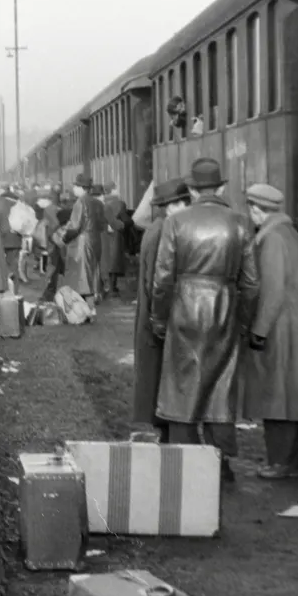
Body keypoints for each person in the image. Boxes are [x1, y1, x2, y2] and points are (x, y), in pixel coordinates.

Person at [150, 158, 259, 482]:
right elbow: (251, 282)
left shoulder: (176, 222)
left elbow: (162, 278)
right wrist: (244, 321)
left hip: (184, 306)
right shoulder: (240, 223)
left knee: (182, 388)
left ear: (193, 190)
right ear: (222, 187)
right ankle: (221, 465)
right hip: (224, 306)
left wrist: (159, 319)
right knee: (220, 389)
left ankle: (186, 466)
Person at [239, 183, 298, 479]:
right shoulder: (290, 234)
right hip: (294, 318)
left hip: (278, 323)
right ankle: (293, 461)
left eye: (251, 210)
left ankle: (282, 463)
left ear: (257, 209)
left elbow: (271, 290)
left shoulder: (271, 239)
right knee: (291, 391)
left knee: (276, 391)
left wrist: (259, 331)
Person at [132, 179, 189, 443]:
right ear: (174, 206)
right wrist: (160, 319)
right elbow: (157, 282)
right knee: (163, 375)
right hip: (158, 315)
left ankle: (165, 430)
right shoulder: (165, 232)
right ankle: (166, 433)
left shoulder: (157, 229)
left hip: (153, 313)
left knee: (159, 375)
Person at [61, 174, 104, 308]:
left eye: (75, 186)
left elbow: (75, 226)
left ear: (81, 188)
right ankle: (91, 308)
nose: (73, 188)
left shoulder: (80, 203)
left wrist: (64, 237)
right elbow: (102, 224)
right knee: (92, 275)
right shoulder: (98, 203)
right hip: (96, 240)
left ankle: (84, 310)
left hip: (82, 243)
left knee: (82, 278)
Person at [100, 181, 129, 296]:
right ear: (113, 189)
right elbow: (124, 219)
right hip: (115, 235)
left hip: (103, 234)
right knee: (114, 260)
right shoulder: (120, 203)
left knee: (105, 261)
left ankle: (103, 287)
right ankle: (113, 287)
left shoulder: (100, 202)